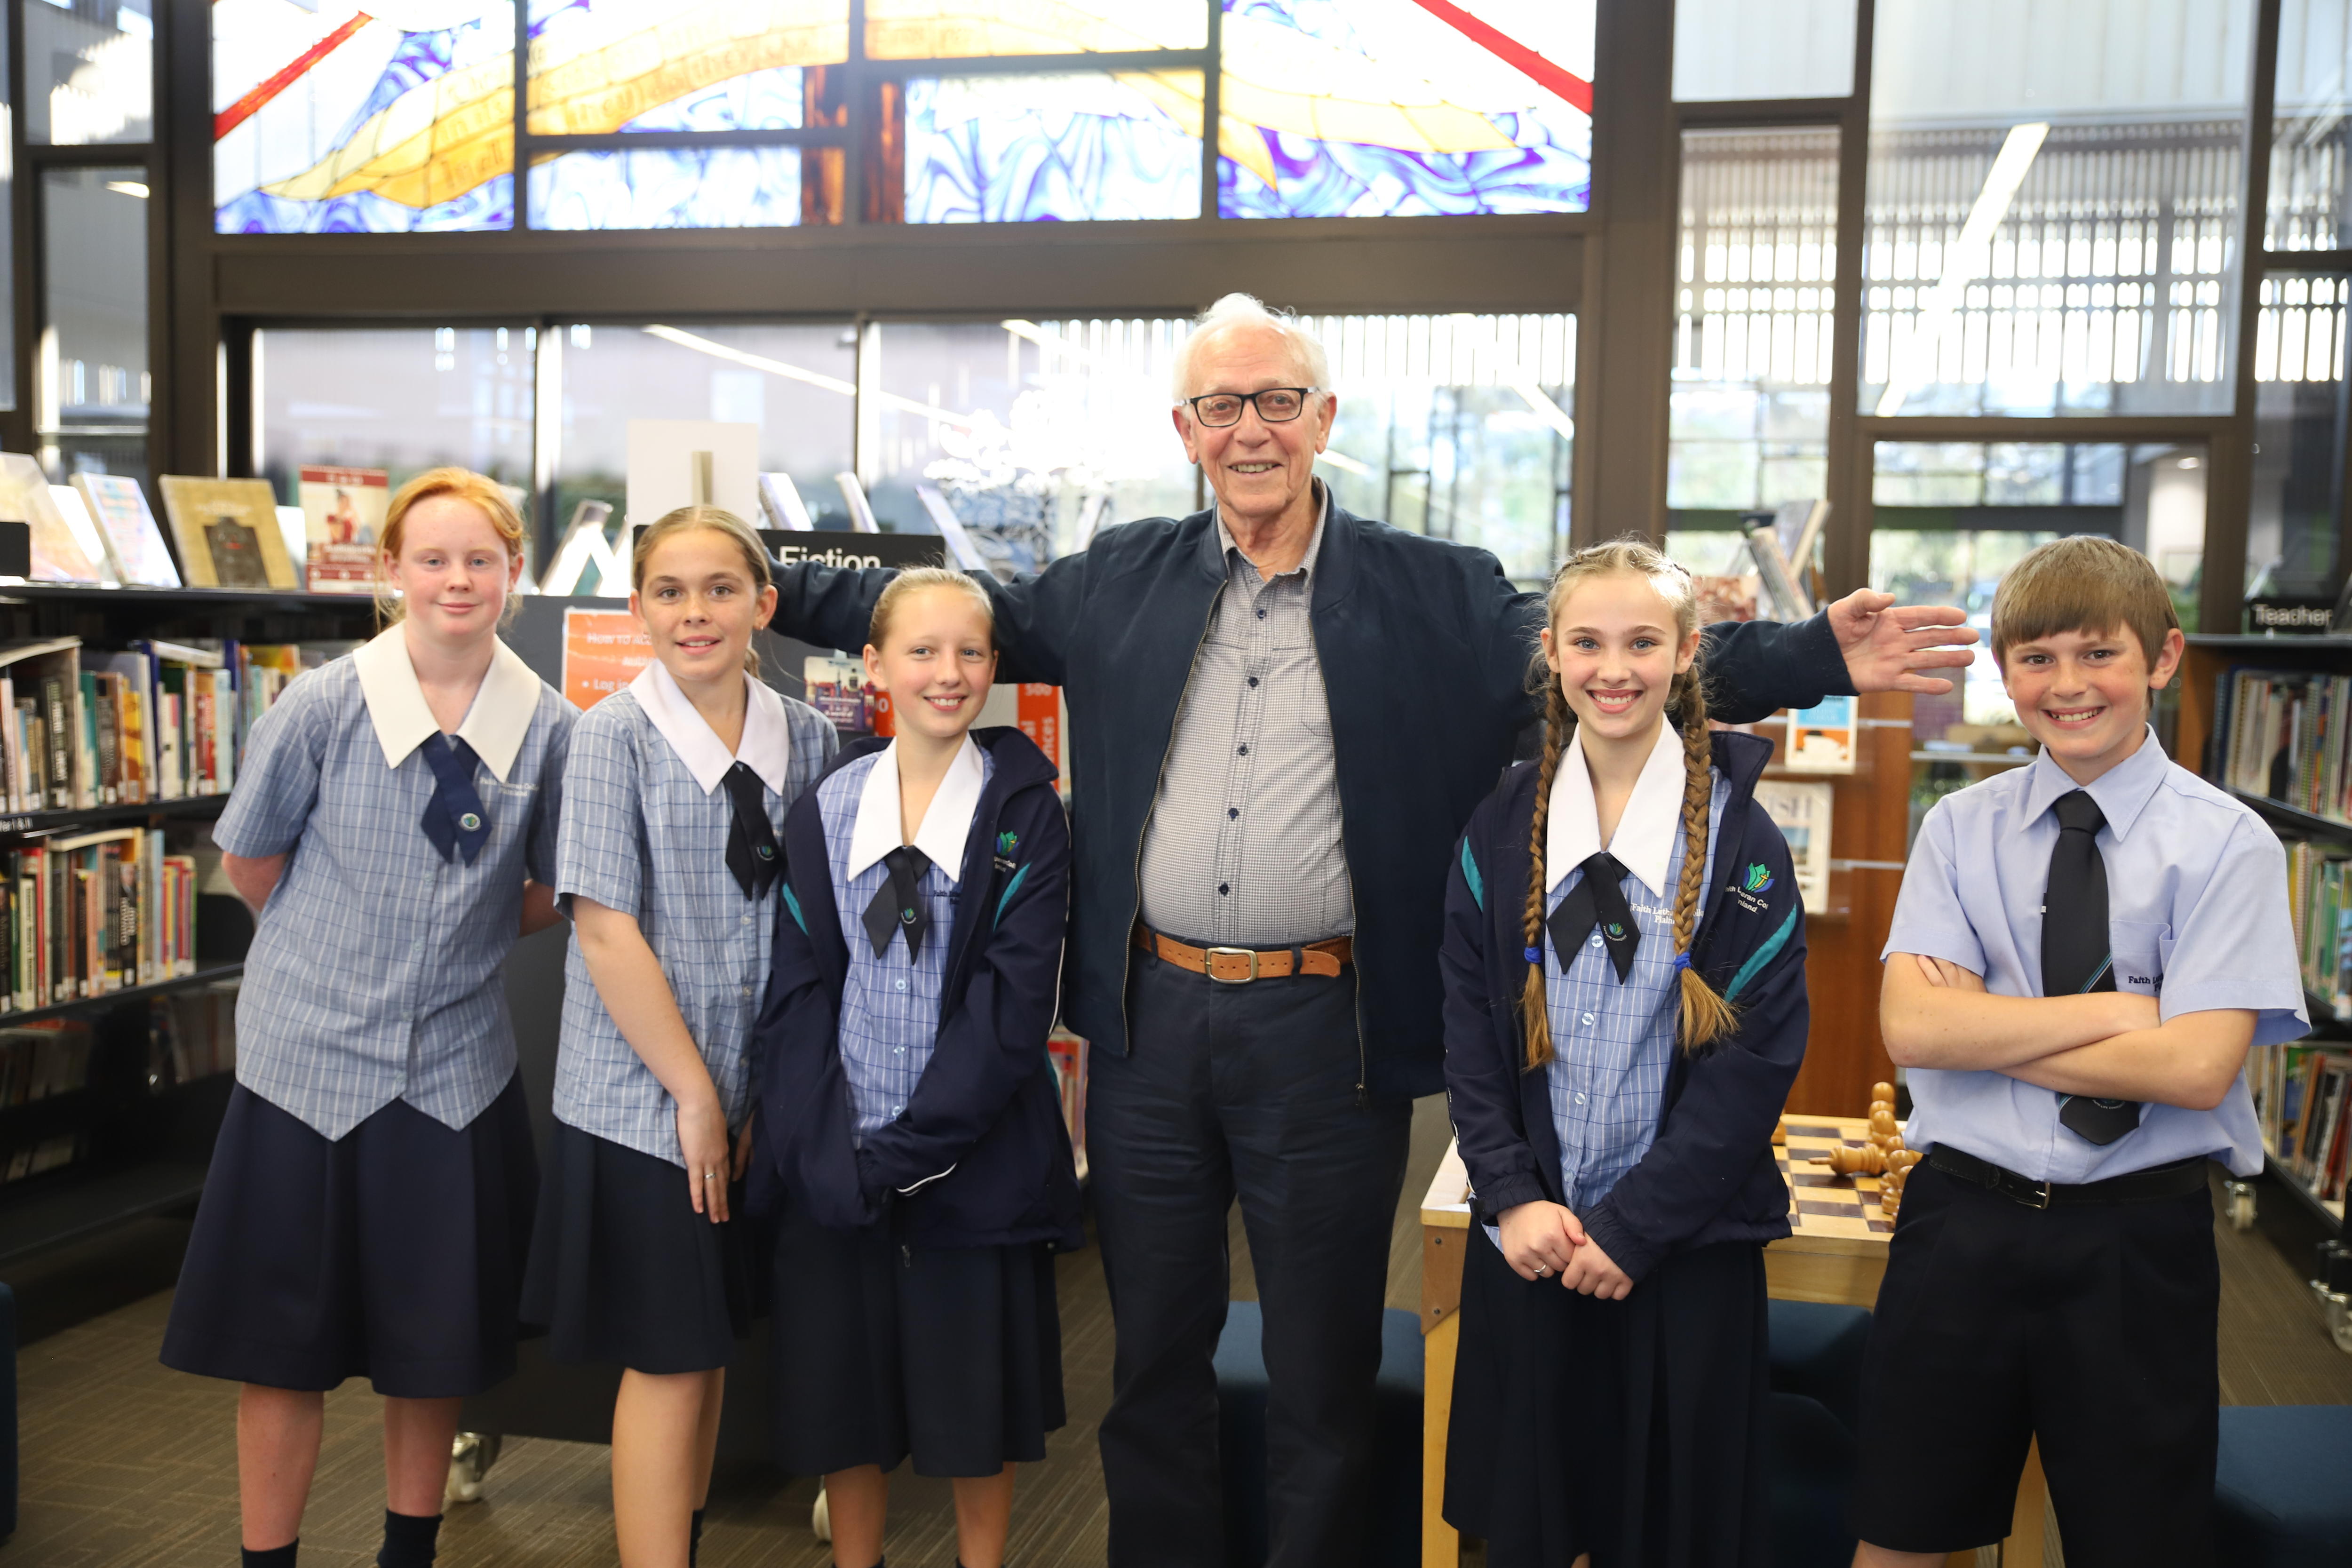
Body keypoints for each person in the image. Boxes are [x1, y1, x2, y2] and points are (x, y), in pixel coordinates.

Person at [767, 294, 1976, 1567]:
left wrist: (1810, 653)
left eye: (1278, 401)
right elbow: (946, 621)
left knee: (1321, 1371)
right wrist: (762, 584)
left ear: (1325, 419)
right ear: (1186, 429)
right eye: (1223, 406)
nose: (1252, 431)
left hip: (1325, 1033)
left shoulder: (1437, 593)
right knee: (1154, 1363)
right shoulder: (1117, 577)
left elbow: (1612, 654)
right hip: (1147, 1025)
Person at [1851, 535, 2307, 1568]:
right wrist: (2126, 1015)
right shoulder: (1957, 828)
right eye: (2037, 658)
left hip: (2135, 1244)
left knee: (2132, 1541)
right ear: (2005, 672)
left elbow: (2196, 1070)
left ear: (2161, 656)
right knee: (1901, 1534)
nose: (2067, 685)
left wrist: (1989, 1029)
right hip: (1958, 1220)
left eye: (2097, 653)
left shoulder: (2228, 842)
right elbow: (1915, 1031)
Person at [161, 468, 572, 1568]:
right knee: (281, 1350)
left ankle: (408, 1553)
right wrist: (333, 958)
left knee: (429, 1350)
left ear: (512, 575)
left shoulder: (551, 725)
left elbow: (551, 888)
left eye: (478, 559)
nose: (456, 579)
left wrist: (467, 936)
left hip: (454, 1072)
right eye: (432, 559)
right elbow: (250, 862)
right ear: (391, 572)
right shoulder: (323, 704)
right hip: (305, 1067)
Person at [1440, 540, 1809, 1567]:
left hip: (1682, 1257)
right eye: (1589, 641)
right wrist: (1511, 1195)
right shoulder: (1498, 828)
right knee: (1527, 1523)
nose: (1616, 667)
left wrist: (1638, 1226)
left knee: (1672, 1526)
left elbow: (1755, 1066)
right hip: (1534, 1242)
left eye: (1643, 641)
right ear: (1551, 653)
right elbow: (1470, 1030)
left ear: (1687, 653)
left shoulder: (1744, 846)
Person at [520, 506, 836, 1568]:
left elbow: (813, 929)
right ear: (637, 606)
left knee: (708, 1357)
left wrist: (759, 1097)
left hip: (753, 1100)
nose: (694, 612)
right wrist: (698, 1097)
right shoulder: (607, 736)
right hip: (645, 1102)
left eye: (719, 588)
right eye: (669, 590)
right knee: (666, 1357)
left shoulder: (814, 737)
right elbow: (606, 932)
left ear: (765, 603)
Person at [753, 568, 1079, 1568]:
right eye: (923, 651)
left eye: (970, 653)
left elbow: (1010, 1011)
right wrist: (823, 1148)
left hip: (970, 1165)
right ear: (875, 664)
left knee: (973, 1409)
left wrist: (911, 1151)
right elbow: (798, 986)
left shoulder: (1027, 813)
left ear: (995, 666)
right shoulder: (828, 806)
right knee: (843, 1408)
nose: (948, 673)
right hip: (836, 1168)